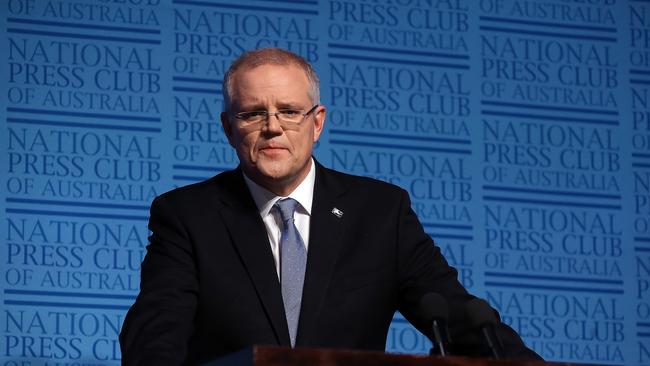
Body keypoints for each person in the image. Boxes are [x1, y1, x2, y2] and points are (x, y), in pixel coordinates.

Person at [119, 48, 541, 365]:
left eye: (289, 111)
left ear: (317, 122)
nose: (272, 128)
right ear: (229, 128)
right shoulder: (188, 215)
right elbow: (156, 337)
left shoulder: (380, 213)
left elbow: (461, 320)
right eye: (252, 114)